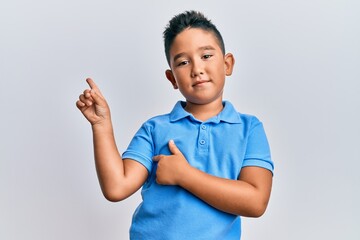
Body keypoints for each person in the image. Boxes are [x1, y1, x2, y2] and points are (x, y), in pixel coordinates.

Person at [76, 10, 274, 240]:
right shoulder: (154, 129)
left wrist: (185, 175)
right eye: (183, 62)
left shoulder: (249, 129)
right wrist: (101, 125)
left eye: (206, 56)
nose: (197, 69)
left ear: (227, 64)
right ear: (172, 78)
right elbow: (116, 187)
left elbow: (256, 202)